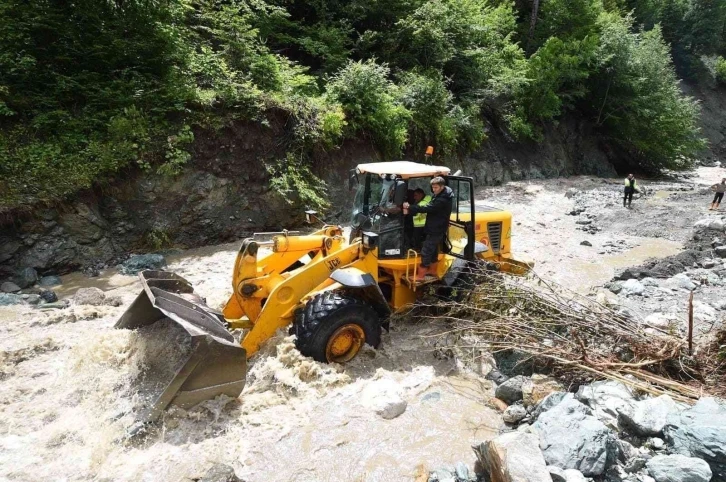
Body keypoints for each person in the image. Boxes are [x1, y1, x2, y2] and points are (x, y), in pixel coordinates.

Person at [403, 177, 454, 280]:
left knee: (426, 251)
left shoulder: (442, 199)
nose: (434, 190)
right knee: (433, 250)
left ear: (442, 186)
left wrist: (410, 207)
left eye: (436, 187)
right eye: (433, 187)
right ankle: (433, 270)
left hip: (437, 228)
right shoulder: (442, 194)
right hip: (434, 226)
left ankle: (421, 275)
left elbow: (429, 208)